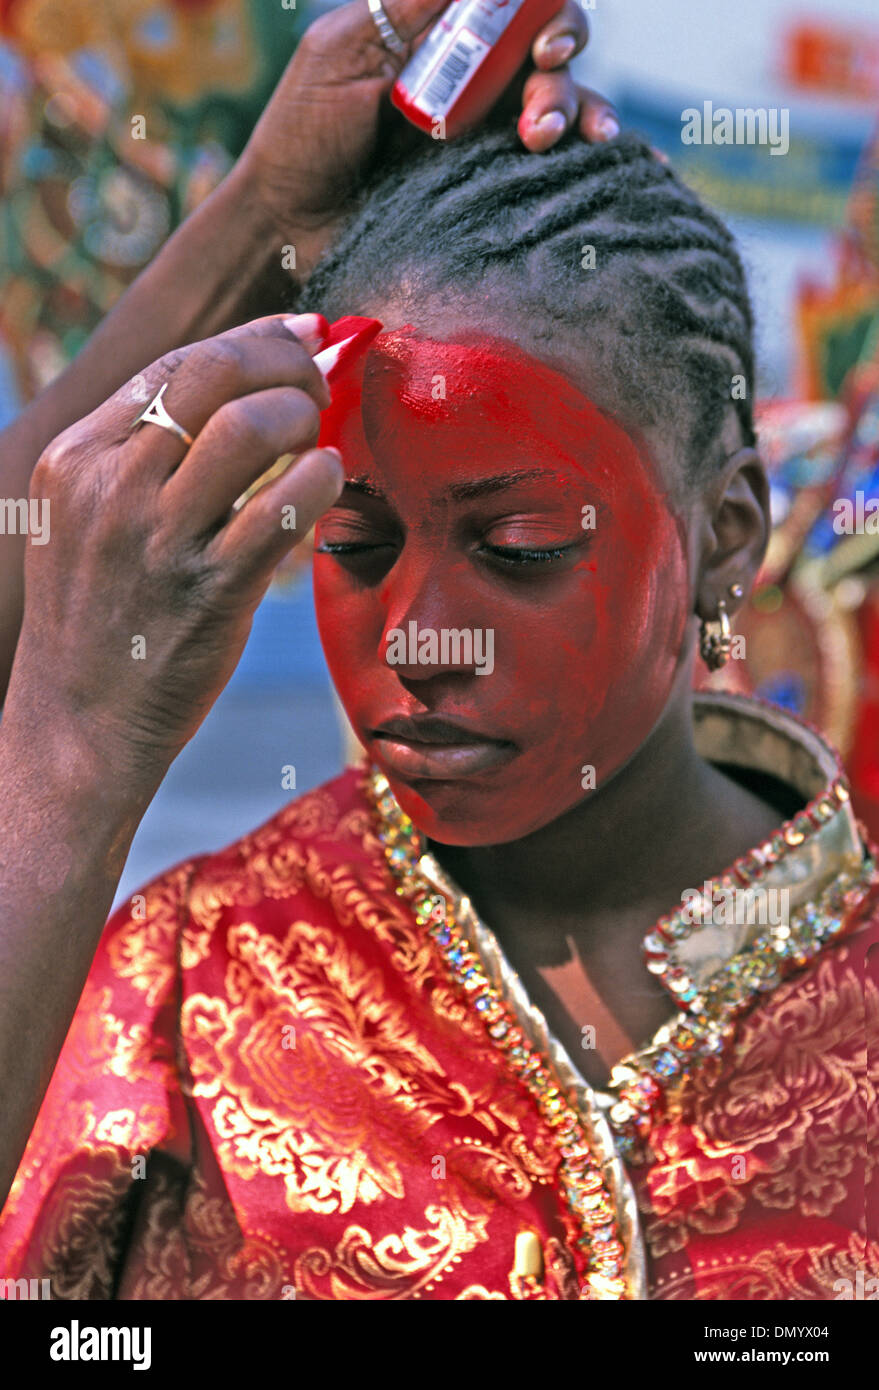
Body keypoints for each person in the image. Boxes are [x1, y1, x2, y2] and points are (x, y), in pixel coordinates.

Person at [1, 4, 876, 1302]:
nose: (417, 639)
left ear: (727, 535)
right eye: (352, 543)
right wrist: (65, 756)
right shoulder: (183, 986)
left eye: (519, 544)